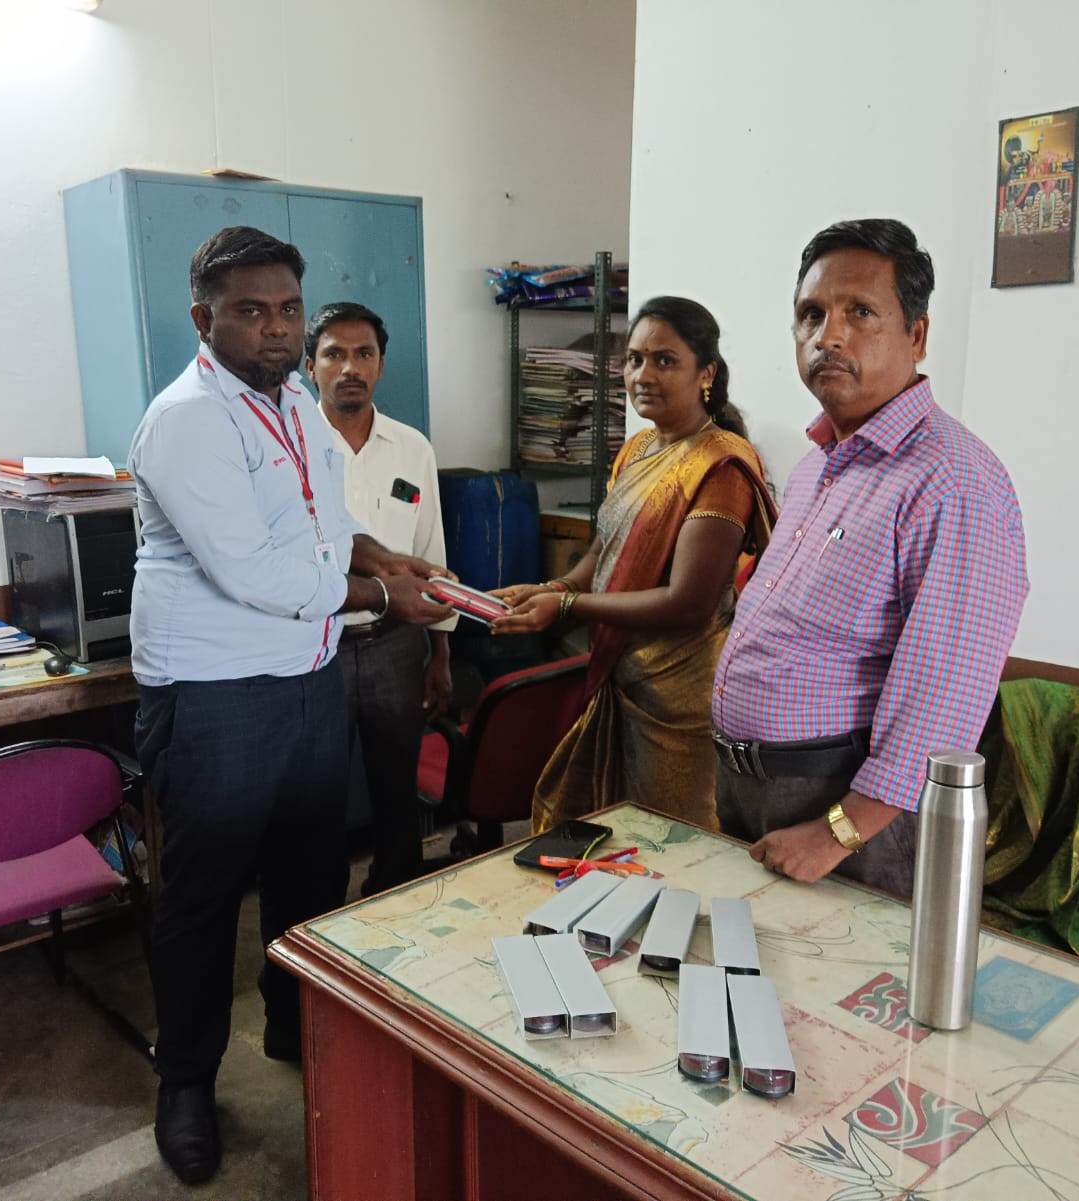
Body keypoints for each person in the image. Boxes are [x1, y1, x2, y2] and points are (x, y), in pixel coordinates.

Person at [126, 225, 453, 1186]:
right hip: (215, 691)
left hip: (307, 679)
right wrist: (383, 596)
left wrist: (383, 555)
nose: (274, 328)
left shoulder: (293, 403)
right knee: (203, 899)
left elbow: (326, 522)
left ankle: (290, 1023)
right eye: (250, 310)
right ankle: (186, 1082)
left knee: (308, 877)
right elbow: (258, 573)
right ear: (204, 319)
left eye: (287, 309)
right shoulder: (186, 420)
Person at [711, 218, 1029, 897]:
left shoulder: (952, 479)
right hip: (750, 787)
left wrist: (838, 831)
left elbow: (947, 688)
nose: (828, 336)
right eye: (811, 314)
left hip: (847, 811)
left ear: (916, 334)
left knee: (828, 970)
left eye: (860, 312)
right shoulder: (817, 467)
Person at [491, 296, 772, 833]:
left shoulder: (721, 466)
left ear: (706, 373)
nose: (643, 375)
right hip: (623, 675)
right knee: (613, 838)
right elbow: (604, 552)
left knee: (676, 843)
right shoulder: (637, 448)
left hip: (681, 696)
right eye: (635, 359)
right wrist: (551, 588)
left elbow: (688, 603)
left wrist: (568, 606)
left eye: (665, 361)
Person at [305, 301, 457, 894]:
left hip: (397, 644)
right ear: (310, 366)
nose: (350, 367)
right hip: (317, 646)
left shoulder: (411, 447)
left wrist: (439, 652)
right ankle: (320, 912)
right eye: (334, 354)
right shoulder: (294, 445)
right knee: (317, 794)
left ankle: (397, 895)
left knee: (397, 787)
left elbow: (430, 547)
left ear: (381, 365)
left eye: (363, 354)